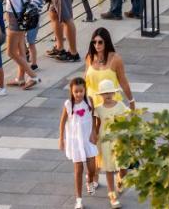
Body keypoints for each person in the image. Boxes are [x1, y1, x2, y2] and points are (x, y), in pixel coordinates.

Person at [59, 77, 99, 209]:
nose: (79, 94)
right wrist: (61, 139)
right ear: (71, 91)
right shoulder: (68, 105)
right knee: (78, 169)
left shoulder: (89, 101)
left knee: (92, 166)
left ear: (85, 90)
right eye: (76, 91)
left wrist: (94, 131)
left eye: (81, 91)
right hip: (75, 141)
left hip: (87, 138)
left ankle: (90, 179)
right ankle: (79, 200)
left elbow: (93, 116)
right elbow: (63, 122)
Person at [0, 0, 38, 89]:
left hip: (14, 19)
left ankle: (33, 76)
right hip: (23, 18)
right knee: (21, 49)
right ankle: (20, 78)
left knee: (10, 52)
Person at [84, 26, 137, 110]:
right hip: (92, 104)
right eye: (94, 42)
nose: (97, 45)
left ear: (106, 42)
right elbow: (85, 82)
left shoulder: (115, 59)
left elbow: (123, 81)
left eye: (100, 42)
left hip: (111, 104)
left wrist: (131, 100)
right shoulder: (89, 57)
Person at [93, 79, 128, 208]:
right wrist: (94, 137)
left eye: (109, 93)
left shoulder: (120, 106)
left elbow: (128, 120)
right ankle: (111, 194)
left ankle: (120, 179)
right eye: (104, 93)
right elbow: (96, 125)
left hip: (119, 140)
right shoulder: (98, 109)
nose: (107, 95)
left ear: (114, 93)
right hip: (106, 141)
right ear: (101, 95)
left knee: (123, 167)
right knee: (108, 168)